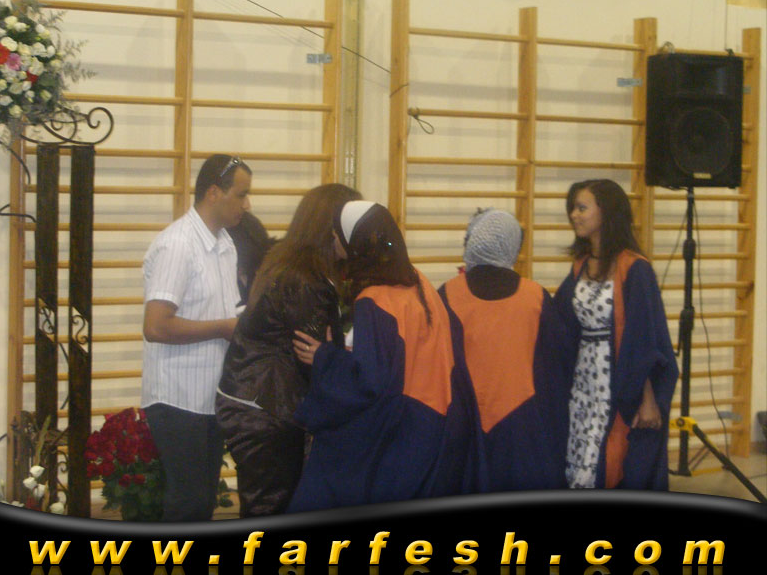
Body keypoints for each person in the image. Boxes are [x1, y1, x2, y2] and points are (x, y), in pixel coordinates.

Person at [289, 201, 471, 512]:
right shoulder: (418, 281)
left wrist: (324, 357)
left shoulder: (374, 300)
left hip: (403, 433)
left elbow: (368, 383)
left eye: (337, 236)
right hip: (441, 423)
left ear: (354, 243)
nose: (334, 242)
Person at [215, 183, 362, 517]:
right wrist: (341, 361)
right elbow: (313, 355)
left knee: (269, 503)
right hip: (266, 407)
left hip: (255, 400)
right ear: (332, 228)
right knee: (271, 506)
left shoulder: (290, 262)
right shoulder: (305, 279)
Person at [140, 154, 252, 521]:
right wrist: (223, 327)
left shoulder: (226, 244)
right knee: (187, 503)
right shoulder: (178, 244)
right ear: (214, 193)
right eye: (241, 195)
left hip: (209, 395)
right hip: (177, 397)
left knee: (201, 502)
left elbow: (224, 310)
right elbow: (156, 326)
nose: (247, 205)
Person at [554, 179, 678, 490]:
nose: (574, 215)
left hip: (620, 383)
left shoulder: (634, 269)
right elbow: (560, 322)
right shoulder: (580, 266)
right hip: (583, 384)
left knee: (616, 461)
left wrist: (647, 399)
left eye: (582, 208)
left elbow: (645, 340)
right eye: (573, 208)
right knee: (581, 460)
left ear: (606, 212)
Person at [439, 208, 572, 492]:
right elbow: (557, 368)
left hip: (461, 423)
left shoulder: (447, 294)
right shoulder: (535, 297)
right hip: (523, 426)